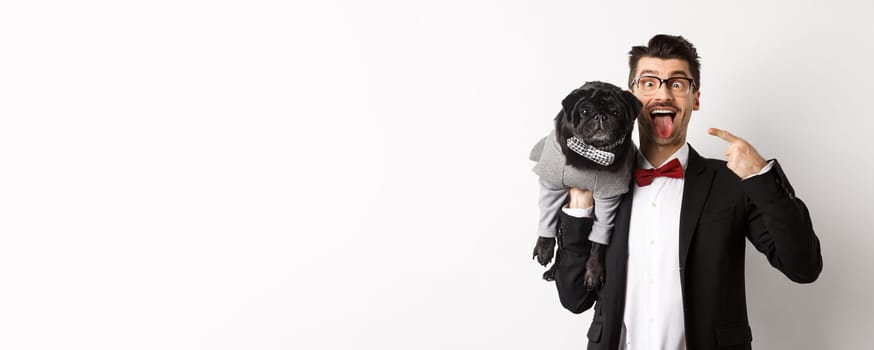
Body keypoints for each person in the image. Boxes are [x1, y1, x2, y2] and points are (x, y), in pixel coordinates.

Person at [552, 34, 823, 350]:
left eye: (677, 84)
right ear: (630, 99)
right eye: (649, 83)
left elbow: (804, 267)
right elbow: (574, 298)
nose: (663, 94)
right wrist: (580, 204)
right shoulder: (600, 184)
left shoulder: (732, 183)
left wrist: (761, 177)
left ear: (695, 98)